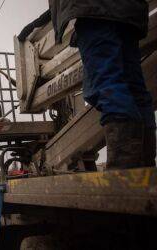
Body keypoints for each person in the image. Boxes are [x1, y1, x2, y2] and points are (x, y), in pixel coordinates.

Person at [49, 0, 156, 169]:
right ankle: (143, 169)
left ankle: (124, 171)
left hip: (93, 9)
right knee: (135, 88)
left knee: (108, 85)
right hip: (130, 12)